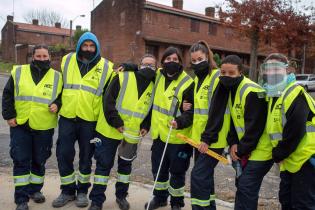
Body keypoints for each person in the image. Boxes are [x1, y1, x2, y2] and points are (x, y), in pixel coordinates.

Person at [201, 55, 273, 210]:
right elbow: (234, 121)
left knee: (246, 187)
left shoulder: (252, 91)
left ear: (240, 72)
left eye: (231, 73)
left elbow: (255, 127)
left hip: (262, 150)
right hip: (247, 149)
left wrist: (240, 150)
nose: (226, 77)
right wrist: (233, 142)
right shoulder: (231, 89)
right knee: (242, 186)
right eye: (223, 73)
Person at [52, 32, 114, 208]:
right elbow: (61, 86)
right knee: (63, 153)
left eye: (91, 46)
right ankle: (67, 191)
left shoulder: (107, 67)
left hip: (90, 119)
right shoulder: (67, 60)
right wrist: (57, 102)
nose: (88, 49)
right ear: (79, 46)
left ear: (97, 48)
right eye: (85, 45)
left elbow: (110, 93)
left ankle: (81, 192)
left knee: (86, 156)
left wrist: (129, 66)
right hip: (67, 116)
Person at [88, 54, 157, 210]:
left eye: (151, 65)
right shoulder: (123, 77)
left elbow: (150, 109)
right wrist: (116, 122)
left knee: (125, 168)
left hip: (131, 134)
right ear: (139, 65)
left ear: (156, 68)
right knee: (103, 167)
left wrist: (146, 125)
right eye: (145, 64)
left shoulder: (154, 85)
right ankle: (96, 201)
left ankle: (121, 197)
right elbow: (108, 100)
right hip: (109, 130)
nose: (148, 68)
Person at [2, 45, 63, 210]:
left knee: (39, 160)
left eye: (45, 56)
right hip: (20, 124)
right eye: (39, 56)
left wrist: (58, 104)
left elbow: (63, 97)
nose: (42, 59)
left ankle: (35, 190)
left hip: (44, 126)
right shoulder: (19, 72)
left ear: (49, 57)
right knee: (21, 160)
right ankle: (21, 199)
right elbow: (7, 94)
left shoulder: (57, 76)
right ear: (33, 57)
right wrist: (9, 115)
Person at [260, 53, 315, 209]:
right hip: (290, 161)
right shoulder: (274, 96)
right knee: (286, 201)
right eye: (268, 69)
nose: (272, 73)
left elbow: (296, 127)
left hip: (305, 160)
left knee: (302, 205)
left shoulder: (294, 92)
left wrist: (279, 153)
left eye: (276, 69)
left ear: (287, 70)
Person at [145, 47, 194, 210]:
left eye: (175, 60)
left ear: (180, 62)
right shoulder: (157, 75)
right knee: (158, 170)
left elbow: (191, 112)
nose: (171, 62)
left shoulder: (188, 83)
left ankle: (177, 203)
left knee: (177, 172)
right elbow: (142, 69)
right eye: (168, 59)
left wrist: (180, 121)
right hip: (159, 135)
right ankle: (159, 198)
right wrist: (128, 66)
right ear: (162, 61)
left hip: (177, 137)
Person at [188, 41, 230, 210]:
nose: (197, 63)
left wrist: (207, 139)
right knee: (205, 177)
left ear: (208, 57)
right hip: (199, 140)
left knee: (197, 177)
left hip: (213, 140)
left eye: (201, 59)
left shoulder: (217, 77)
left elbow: (217, 112)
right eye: (194, 61)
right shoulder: (199, 79)